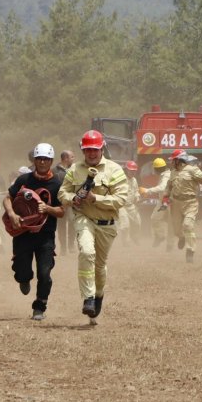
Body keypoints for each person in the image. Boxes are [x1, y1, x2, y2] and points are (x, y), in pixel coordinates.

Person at [58, 130, 128, 324]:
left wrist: (95, 198)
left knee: (99, 266)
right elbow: (62, 193)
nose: (91, 153)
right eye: (87, 149)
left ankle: (98, 296)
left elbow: (121, 199)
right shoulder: (74, 170)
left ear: (101, 148)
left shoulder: (115, 170)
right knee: (87, 253)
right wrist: (74, 199)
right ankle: (88, 298)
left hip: (107, 224)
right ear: (83, 150)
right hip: (84, 218)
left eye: (95, 149)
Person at [4, 143, 64, 321]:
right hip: (22, 234)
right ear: (34, 160)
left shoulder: (58, 184)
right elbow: (8, 197)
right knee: (22, 271)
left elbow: (62, 211)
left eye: (46, 159)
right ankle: (23, 278)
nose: (43, 162)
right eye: (39, 159)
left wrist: (48, 209)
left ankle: (40, 306)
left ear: (51, 161)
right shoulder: (24, 180)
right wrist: (12, 213)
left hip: (45, 236)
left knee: (45, 273)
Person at [163, 149, 202, 263]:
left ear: (179, 160)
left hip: (190, 203)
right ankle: (181, 237)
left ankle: (190, 250)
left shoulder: (192, 170)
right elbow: (168, 186)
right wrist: (166, 196)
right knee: (176, 230)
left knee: (187, 225)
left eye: (173, 160)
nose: (171, 162)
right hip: (175, 203)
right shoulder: (172, 172)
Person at [139, 157, 173, 249]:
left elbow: (162, 187)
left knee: (171, 224)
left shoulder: (166, 176)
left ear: (157, 169)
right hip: (163, 202)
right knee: (154, 218)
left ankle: (170, 245)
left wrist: (147, 190)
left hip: (169, 202)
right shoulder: (163, 175)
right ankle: (160, 236)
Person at [54, 150, 76, 254]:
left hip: (72, 202)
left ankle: (71, 245)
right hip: (60, 203)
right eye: (72, 157)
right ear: (66, 158)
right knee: (61, 226)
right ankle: (63, 247)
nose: (73, 159)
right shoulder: (54, 171)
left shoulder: (75, 169)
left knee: (73, 223)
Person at [117, 160, 141, 245]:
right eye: (131, 170)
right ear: (126, 170)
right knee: (125, 225)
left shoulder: (134, 180)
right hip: (121, 206)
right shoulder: (121, 179)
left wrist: (137, 197)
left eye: (134, 171)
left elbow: (136, 191)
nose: (132, 172)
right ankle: (125, 241)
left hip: (131, 205)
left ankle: (135, 237)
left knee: (137, 222)